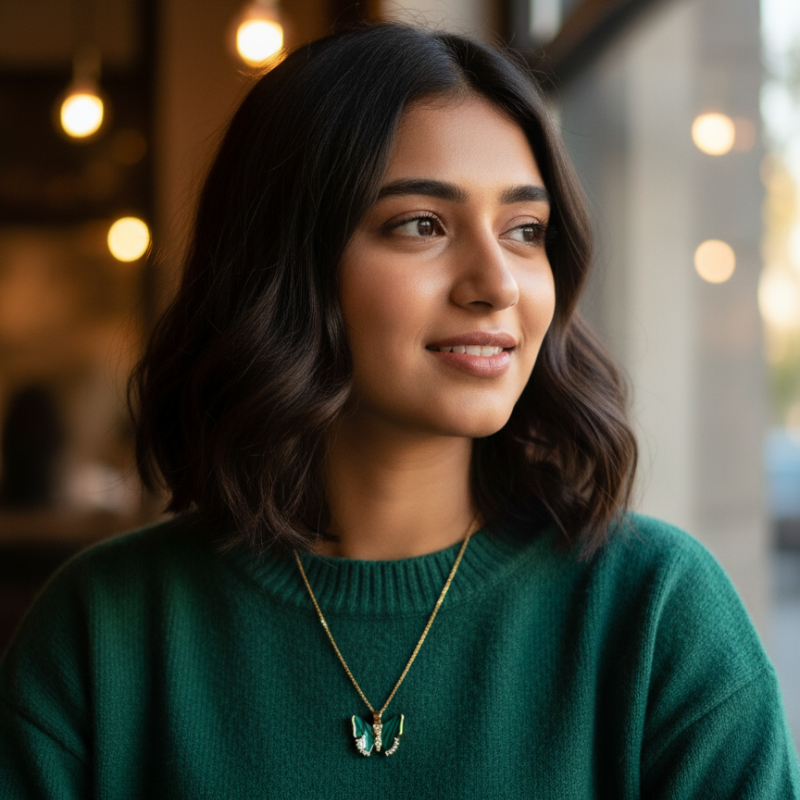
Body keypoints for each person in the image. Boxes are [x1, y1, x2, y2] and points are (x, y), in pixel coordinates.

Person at [1, 23, 798, 799]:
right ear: (287, 263)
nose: (497, 283)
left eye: (525, 230)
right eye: (422, 225)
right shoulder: (101, 631)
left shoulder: (654, 613)